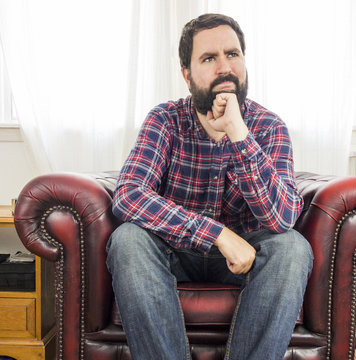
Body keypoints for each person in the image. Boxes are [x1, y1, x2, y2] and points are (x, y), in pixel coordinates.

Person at [106, 13, 313, 360]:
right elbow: (129, 194)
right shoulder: (165, 119)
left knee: (292, 248)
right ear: (187, 75)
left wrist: (239, 133)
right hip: (174, 252)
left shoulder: (268, 126)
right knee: (126, 240)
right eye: (209, 58)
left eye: (233, 54)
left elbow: (281, 219)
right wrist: (217, 234)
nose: (224, 67)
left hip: (245, 260)